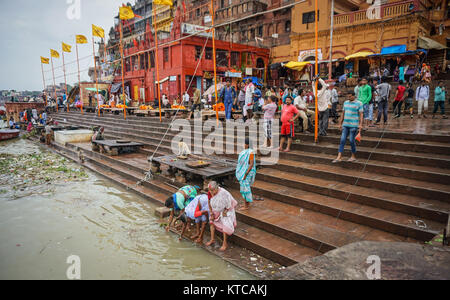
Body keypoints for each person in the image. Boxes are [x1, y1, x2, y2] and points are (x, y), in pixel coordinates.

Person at [205, 181, 238, 251]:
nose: (211, 192)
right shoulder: (210, 193)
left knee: (225, 225)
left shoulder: (223, 193)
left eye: (212, 190)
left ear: (217, 188)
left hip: (227, 210)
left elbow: (229, 204)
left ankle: (225, 243)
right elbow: (209, 202)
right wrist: (211, 213)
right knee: (211, 222)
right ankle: (212, 239)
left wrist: (225, 212)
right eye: (210, 190)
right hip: (216, 210)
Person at [333, 92, 363, 163]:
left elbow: (361, 115)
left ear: (354, 96)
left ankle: (353, 156)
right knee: (342, 140)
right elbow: (343, 114)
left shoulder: (359, 103)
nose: (348, 98)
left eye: (350, 96)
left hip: (354, 125)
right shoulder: (345, 103)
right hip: (345, 124)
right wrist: (340, 123)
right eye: (348, 97)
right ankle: (339, 156)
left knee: (351, 140)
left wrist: (360, 124)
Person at [236, 138, 256, 211]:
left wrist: (245, 174)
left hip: (247, 172)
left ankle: (246, 206)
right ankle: (246, 204)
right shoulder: (245, 152)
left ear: (247, 145)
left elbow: (251, 164)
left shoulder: (251, 153)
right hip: (244, 172)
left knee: (245, 189)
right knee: (244, 188)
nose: (243, 145)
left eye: (244, 144)